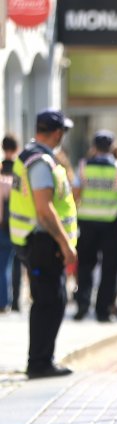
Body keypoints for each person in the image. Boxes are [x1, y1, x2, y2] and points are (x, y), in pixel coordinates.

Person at [8, 109, 78, 378]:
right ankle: (39, 362)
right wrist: (65, 244)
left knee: (51, 300)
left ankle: (42, 359)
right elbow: (44, 209)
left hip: (37, 241)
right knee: (49, 301)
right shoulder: (40, 162)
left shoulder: (30, 156)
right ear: (58, 133)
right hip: (43, 242)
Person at [72, 130, 117, 322]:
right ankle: (103, 311)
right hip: (111, 225)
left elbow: (75, 194)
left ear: (94, 147)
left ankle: (82, 303)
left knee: (84, 266)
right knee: (110, 269)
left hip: (87, 223)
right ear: (113, 147)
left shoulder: (83, 166)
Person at [0, 134, 20, 312]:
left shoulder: (1, 171)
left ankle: (4, 301)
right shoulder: (21, 171)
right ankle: (16, 302)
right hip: (18, 224)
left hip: (3, 226)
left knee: (3, 264)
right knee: (17, 264)